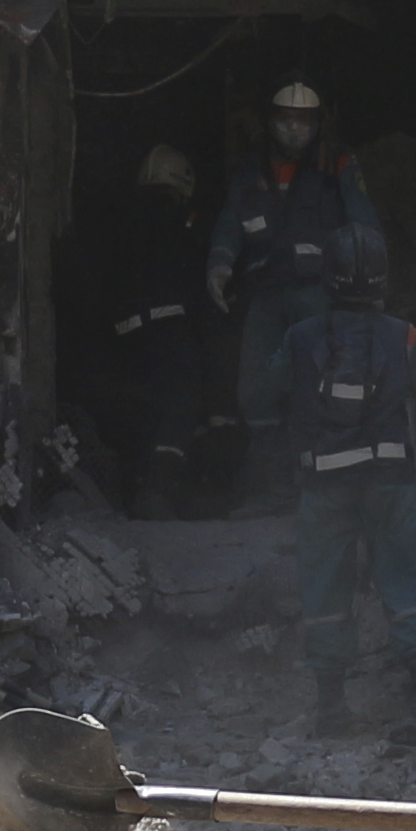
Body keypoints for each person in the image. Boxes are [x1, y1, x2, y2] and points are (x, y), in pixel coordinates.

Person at [281, 243, 416, 734]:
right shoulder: (406, 335)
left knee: (325, 588)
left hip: (324, 483)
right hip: (390, 480)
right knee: (408, 580)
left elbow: (264, 390)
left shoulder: (299, 336)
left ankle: (331, 707)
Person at [210, 82, 385, 438]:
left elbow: (363, 219)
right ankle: (267, 473)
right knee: (257, 389)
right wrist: (219, 265)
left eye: (303, 120)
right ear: (269, 120)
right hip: (266, 292)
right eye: (285, 119)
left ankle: (310, 467)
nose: (293, 128)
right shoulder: (251, 168)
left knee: (316, 379)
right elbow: (230, 221)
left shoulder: (337, 162)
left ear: (318, 122)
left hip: (319, 291)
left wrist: (371, 281)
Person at [94, 140, 224, 512]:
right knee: (179, 410)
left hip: (125, 338)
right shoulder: (182, 225)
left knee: (141, 414)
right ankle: (161, 491)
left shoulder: (118, 224)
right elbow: (196, 286)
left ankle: (134, 491)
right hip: (171, 332)